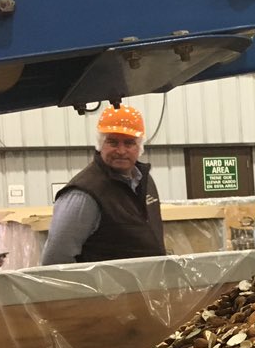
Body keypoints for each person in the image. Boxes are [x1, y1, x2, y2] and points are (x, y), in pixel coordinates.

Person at [41, 105, 166, 265]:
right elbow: (55, 259)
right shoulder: (84, 194)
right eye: (113, 142)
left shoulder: (145, 182)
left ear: (139, 147)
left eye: (129, 143)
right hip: (107, 290)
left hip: (149, 286)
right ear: (100, 144)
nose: (121, 151)